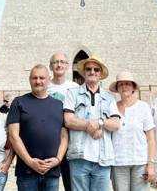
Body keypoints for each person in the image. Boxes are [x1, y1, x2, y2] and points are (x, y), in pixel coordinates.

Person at [63, 55, 121, 191]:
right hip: (79, 157)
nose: (92, 72)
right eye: (88, 69)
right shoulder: (72, 93)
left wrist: (100, 122)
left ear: (100, 74)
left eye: (96, 69)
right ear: (83, 72)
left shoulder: (109, 97)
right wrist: (88, 126)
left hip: (103, 158)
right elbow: (68, 120)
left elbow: (116, 123)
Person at [8, 64, 68, 191]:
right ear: (30, 80)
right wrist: (30, 162)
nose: (38, 81)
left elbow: (64, 136)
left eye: (42, 78)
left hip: (52, 171)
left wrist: (57, 160)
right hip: (26, 172)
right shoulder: (18, 102)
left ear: (48, 79)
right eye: (34, 78)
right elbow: (13, 136)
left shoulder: (58, 105)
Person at [109, 72, 156, 191]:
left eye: (127, 84)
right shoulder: (111, 107)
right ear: (117, 89)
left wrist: (150, 165)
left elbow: (151, 139)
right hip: (118, 162)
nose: (124, 87)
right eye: (121, 84)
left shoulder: (143, 107)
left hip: (140, 162)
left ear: (133, 87)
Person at [47, 52, 79, 191]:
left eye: (62, 62)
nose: (59, 65)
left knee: (70, 183)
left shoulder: (75, 88)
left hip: (71, 140)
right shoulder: (45, 86)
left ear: (67, 66)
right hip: (50, 139)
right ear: (50, 66)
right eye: (55, 62)